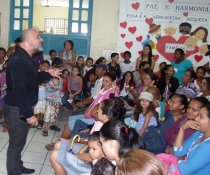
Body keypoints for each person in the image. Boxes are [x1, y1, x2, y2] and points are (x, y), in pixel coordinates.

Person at [3, 28, 60, 175]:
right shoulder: (19, 60)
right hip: (18, 109)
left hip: (21, 107)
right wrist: (28, 114)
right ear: (28, 40)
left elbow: (31, 77)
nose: (41, 39)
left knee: (19, 142)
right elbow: (19, 90)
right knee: (16, 144)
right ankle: (13, 172)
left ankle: (18, 166)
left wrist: (47, 74)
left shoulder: (26, 57)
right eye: (38, 37)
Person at [174, 103, 210, 175]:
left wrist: (180, 160)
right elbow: (177, 152)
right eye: (198, 115)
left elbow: (184, 170)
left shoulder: (208, 146)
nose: (196, 118)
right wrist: (182, 128)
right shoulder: (198, 134)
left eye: (201, 117)